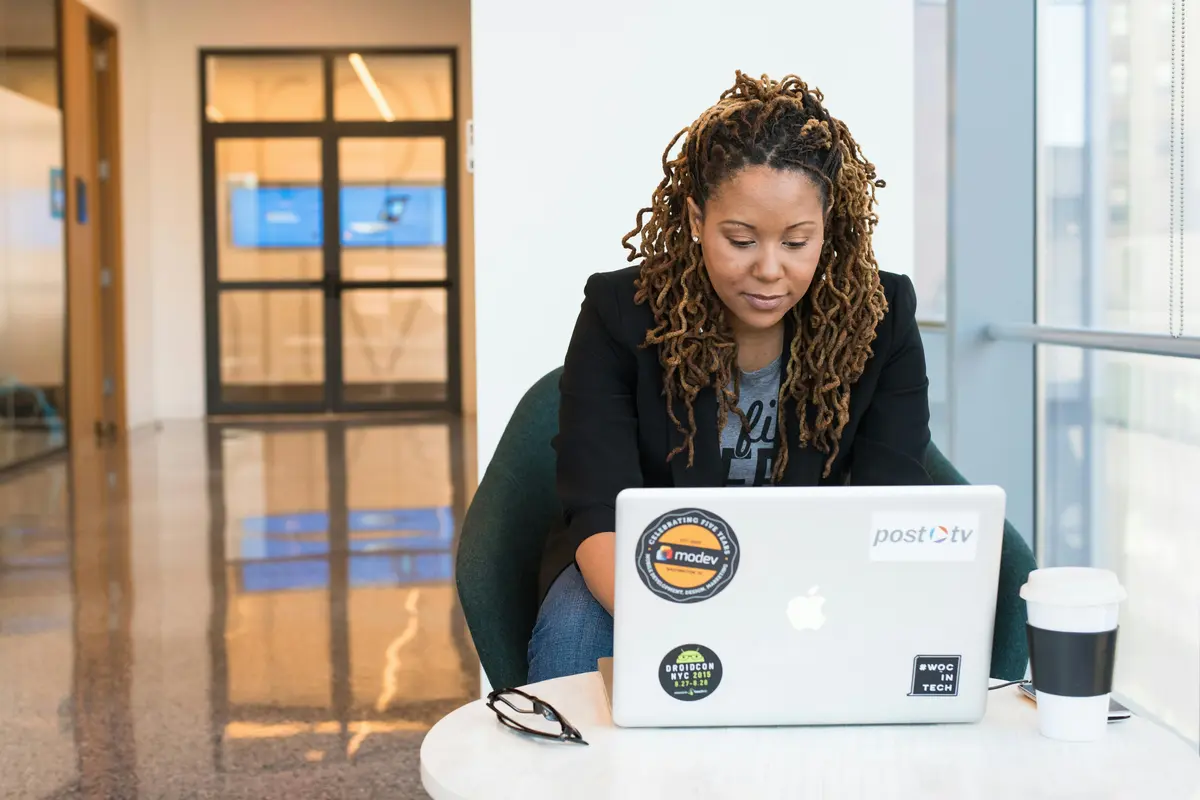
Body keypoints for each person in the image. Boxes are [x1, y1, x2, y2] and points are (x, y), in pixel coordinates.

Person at [528, 72, 932, 682]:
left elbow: (890, 506)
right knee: (576, 631)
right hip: (645, 566)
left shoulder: (879, 316)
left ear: (828, 224)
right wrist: (699, 625)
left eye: (796, 242)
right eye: (741, 240)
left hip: (809, 573)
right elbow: (598, 509)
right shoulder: (621, 312)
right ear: (697, 217)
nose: (769, 270)